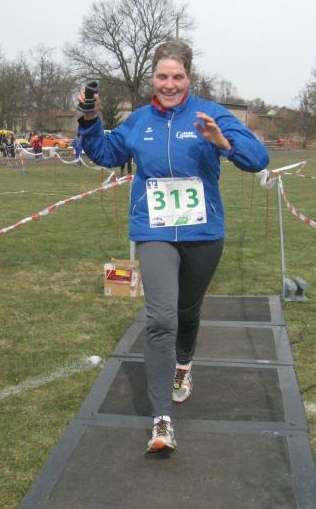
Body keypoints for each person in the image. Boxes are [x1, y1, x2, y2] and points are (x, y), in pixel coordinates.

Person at [77, 39, 269, 453]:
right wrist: (90, 117)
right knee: (161, 317)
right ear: (152, 78)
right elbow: (105, 153)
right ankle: (161, 419)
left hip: (203, 234)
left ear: (188, 77)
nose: (169, 84)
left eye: (177, 76)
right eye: (162, 76)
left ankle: (184, 363)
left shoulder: (210, 114)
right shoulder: (139, 120)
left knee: (187, 311)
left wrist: (223, 142)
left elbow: (259, 159)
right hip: (155, 231)